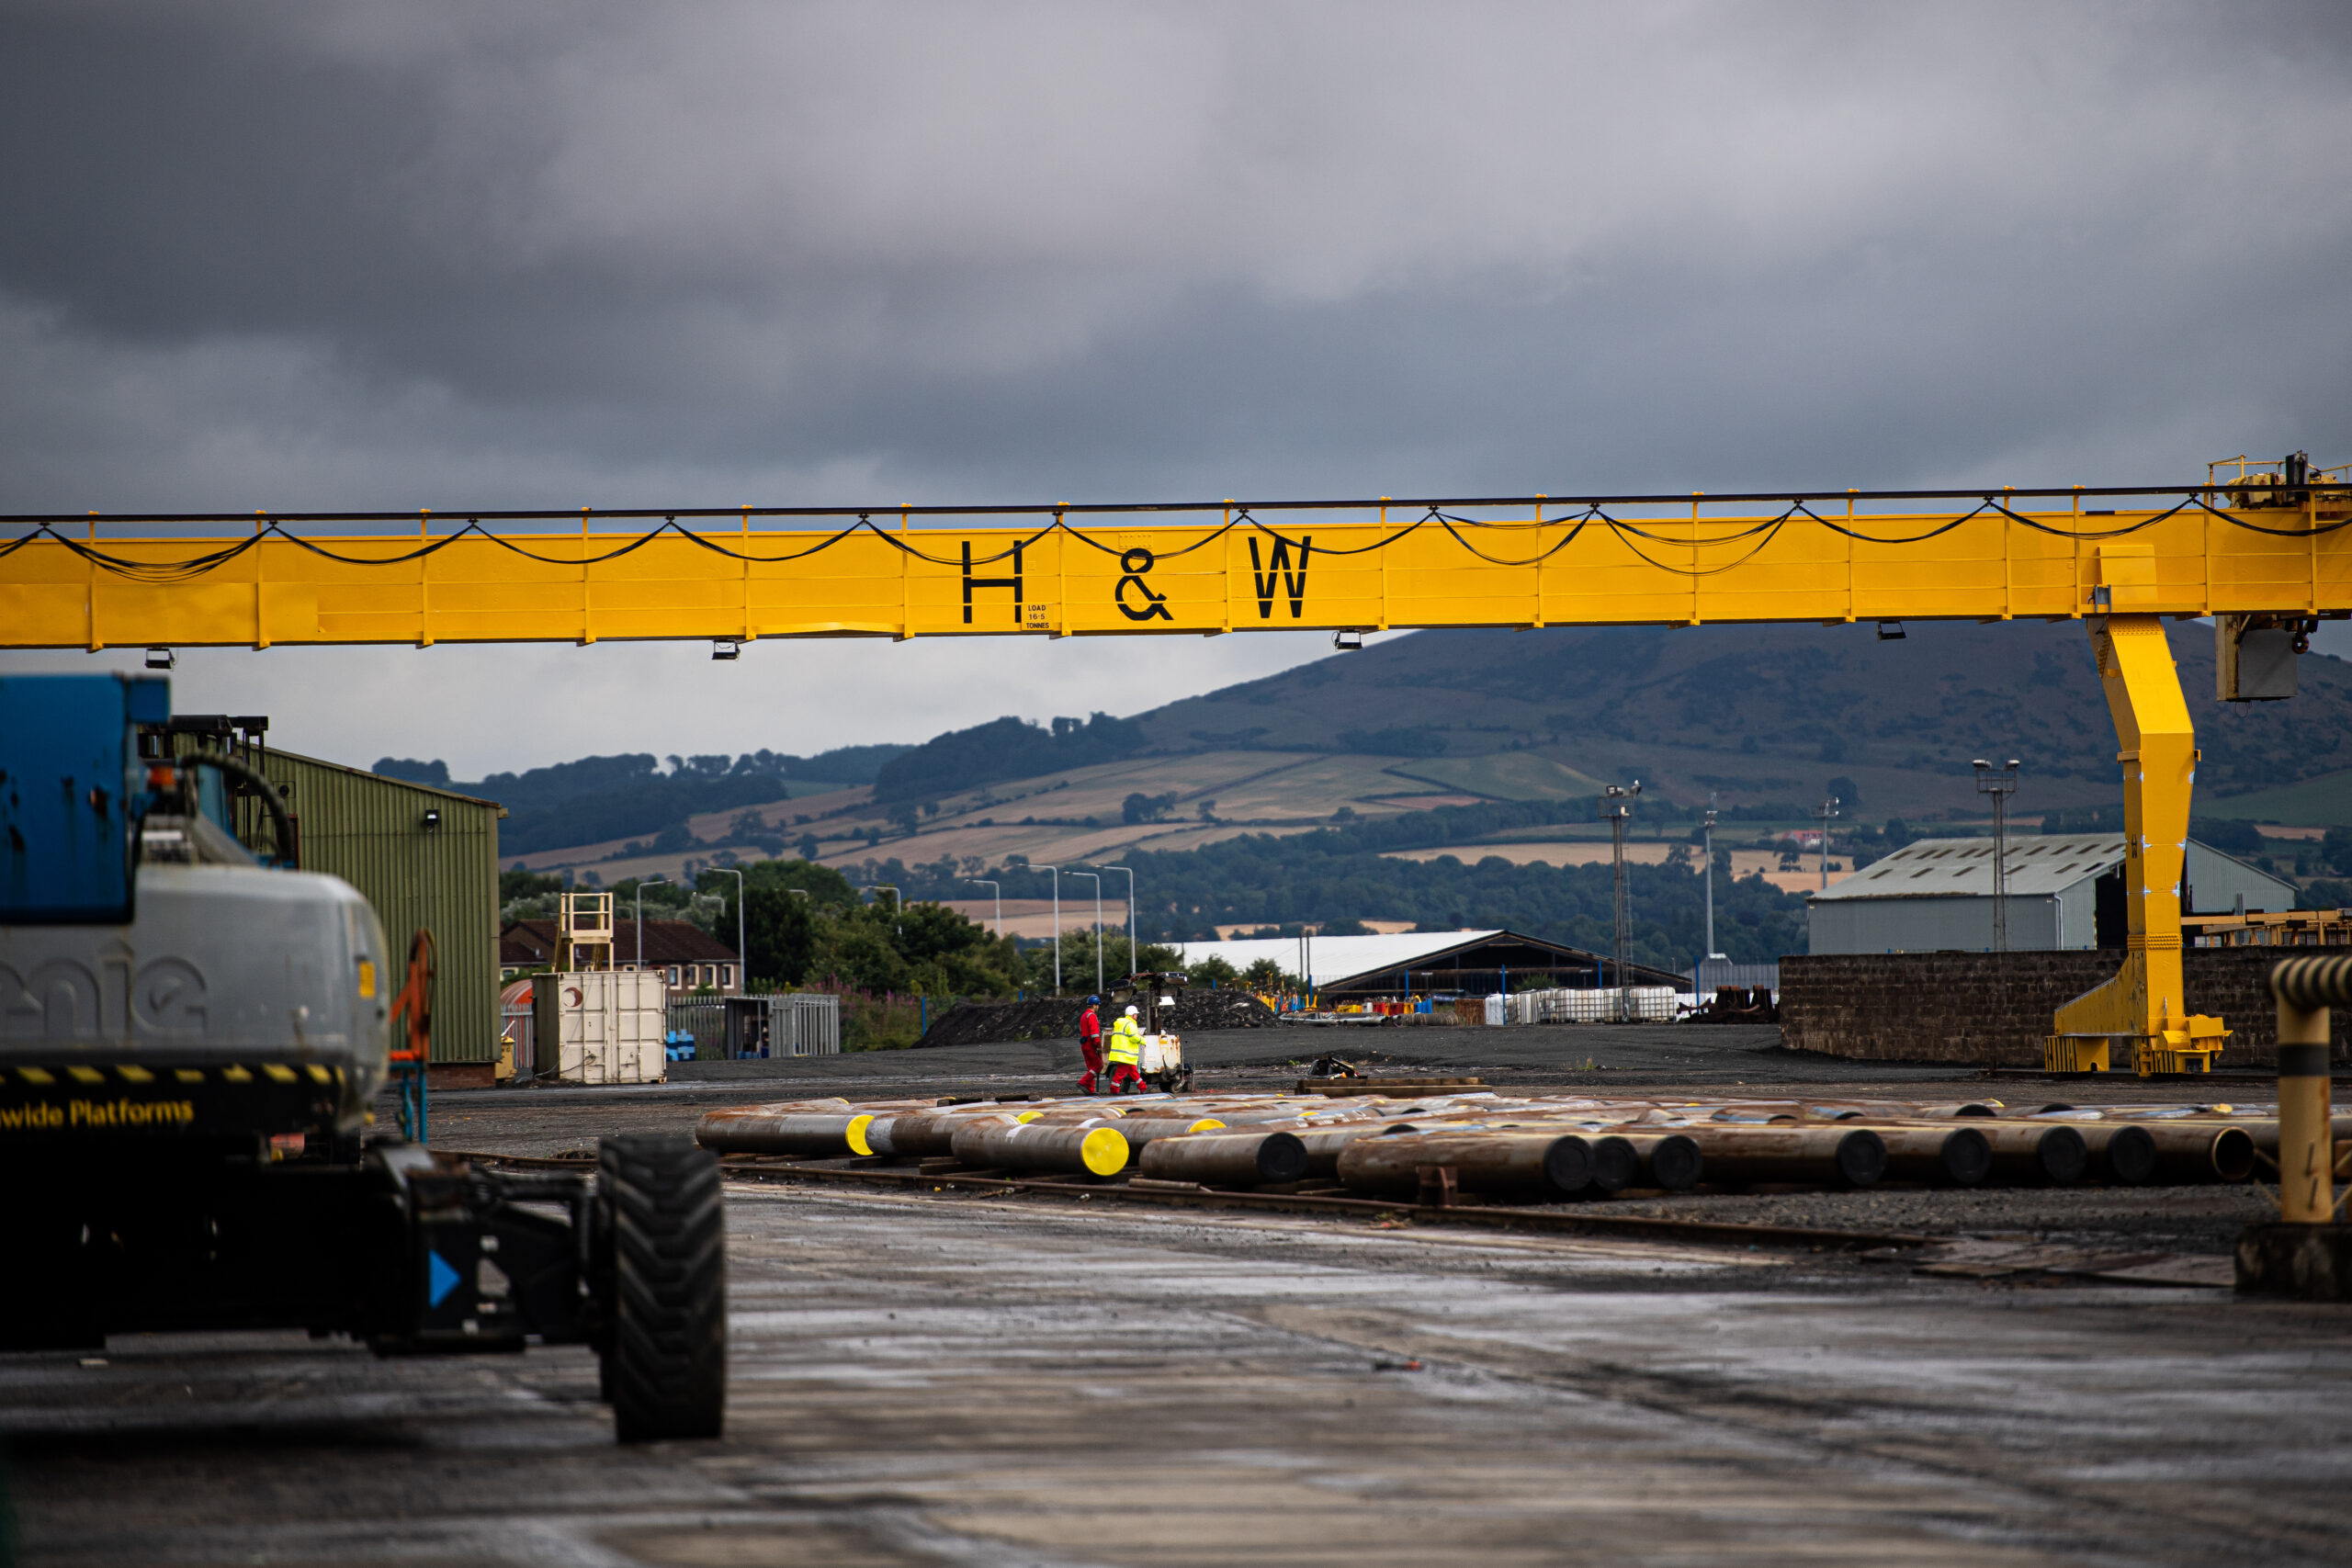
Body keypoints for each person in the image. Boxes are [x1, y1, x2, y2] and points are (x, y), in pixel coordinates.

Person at [1105, 1003, 1148, 1094]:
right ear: (1132, 1015)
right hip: (1126, 1054)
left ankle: (1143, 1087)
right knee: (1120, 1073)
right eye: (1136, 1014)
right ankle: (1114, 1090)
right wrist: (1144, 1040)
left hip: (1121, 1054)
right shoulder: (1131, 1024)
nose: (1137, 1016)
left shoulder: (1121, 1023)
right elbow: (1134, 1037)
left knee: (1133, 1072)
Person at [1077, 996, 1104, 1094]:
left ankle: (1090, 1089)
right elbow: (1094, 1034)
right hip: (1091, 1045)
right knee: (1098, 1065)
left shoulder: (1084, 1015)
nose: (1098, 1007)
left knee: (1091, 1068)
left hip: (1084, 1044)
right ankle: (1083, 1082)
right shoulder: (1092, 1016)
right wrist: (1098, 1046)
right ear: (1094, 1005)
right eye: (1097, 1005)